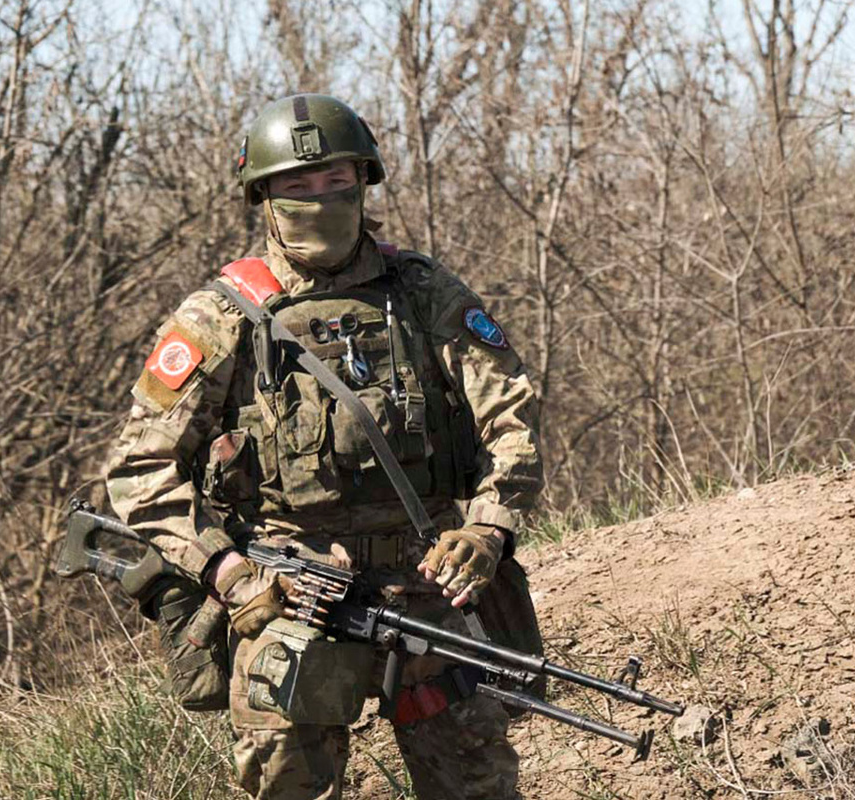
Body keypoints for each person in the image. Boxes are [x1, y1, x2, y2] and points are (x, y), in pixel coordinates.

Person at [105, 93, 544, 800]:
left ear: (364, 182)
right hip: (289, 599)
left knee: (477, 781)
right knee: (289, 786)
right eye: (296, 187)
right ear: (264, 198)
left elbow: (512, 416)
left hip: (426, 593)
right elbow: (137, 468)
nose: (319, 200)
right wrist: (227, 572)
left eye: (336, 182)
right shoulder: (220, 317)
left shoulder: (423, 294)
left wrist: (487, 528)